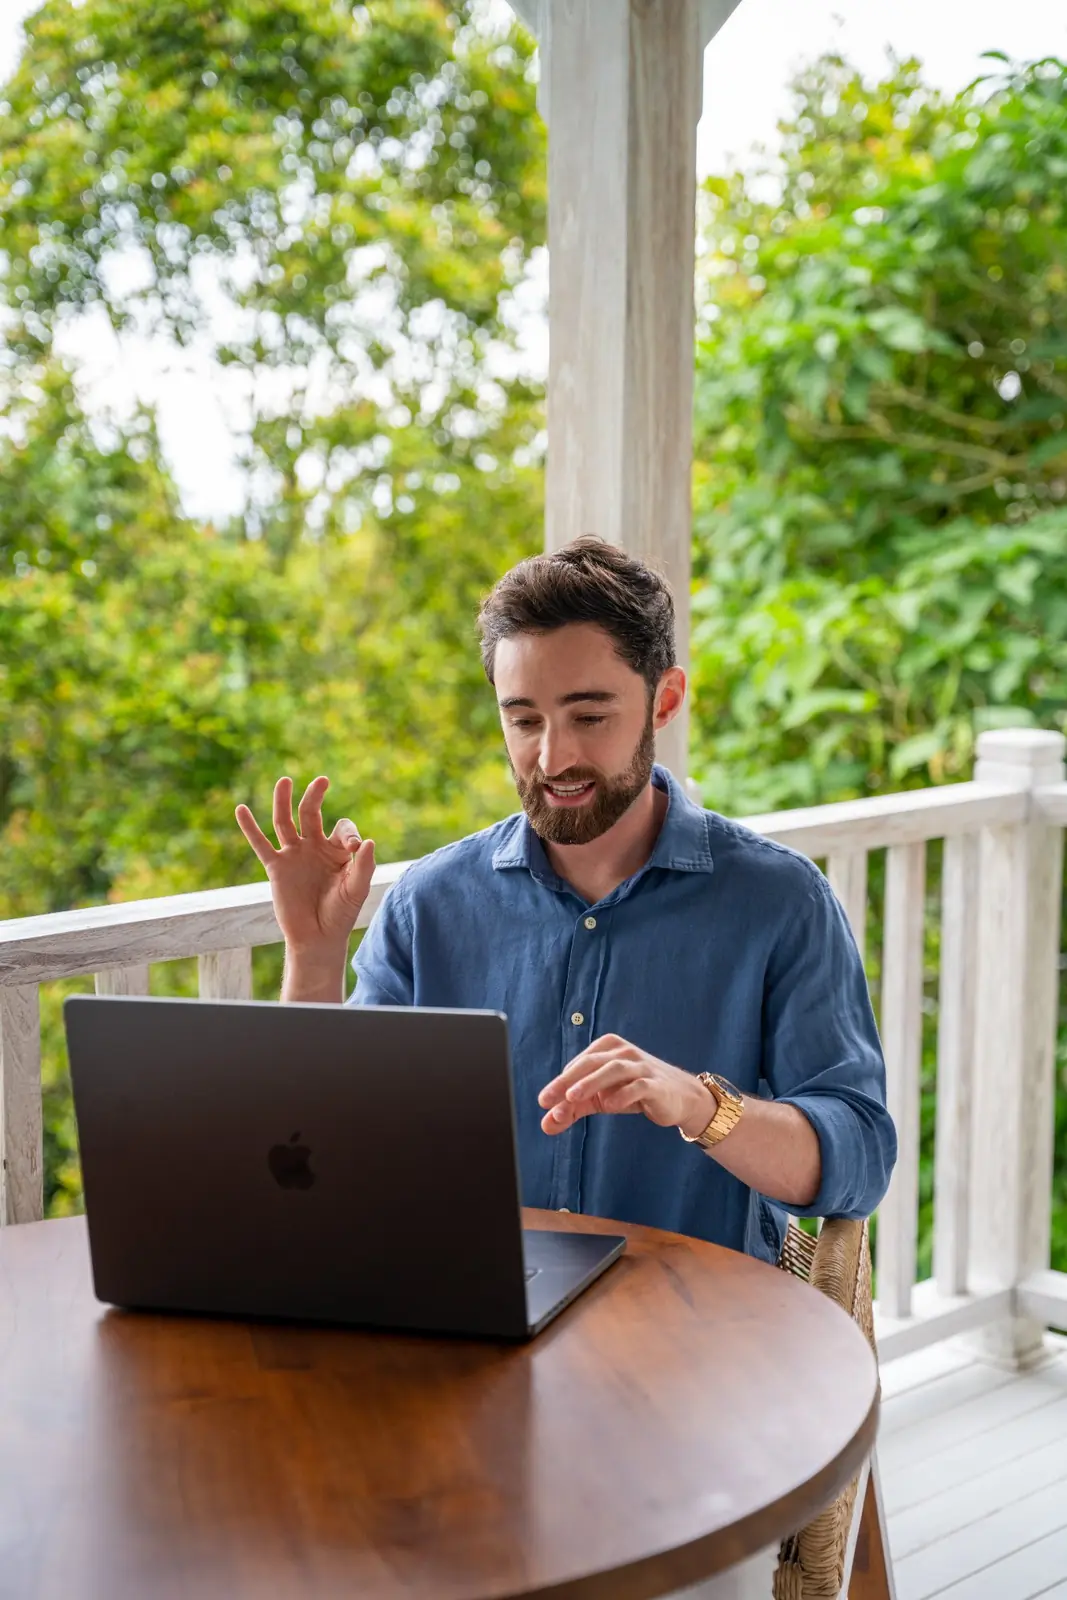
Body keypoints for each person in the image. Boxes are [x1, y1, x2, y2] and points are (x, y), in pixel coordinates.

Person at [236, 537, 895, 1262]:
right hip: (469, 1315)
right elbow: (322, 1151)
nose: (552, 759)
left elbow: (857, 1161)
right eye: (523, 720)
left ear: (663, 700)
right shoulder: (429, 904)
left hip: (694, 1337)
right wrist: (312, 958)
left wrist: (698, 1105)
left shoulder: (777, 900)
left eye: (589, 717)